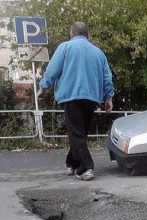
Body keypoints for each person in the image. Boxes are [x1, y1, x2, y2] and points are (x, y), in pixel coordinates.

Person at [38, 22, 114, 181]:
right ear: (88, 35)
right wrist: (109, 97)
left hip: (71, 96)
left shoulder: (65, 47)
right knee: (80, 133)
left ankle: (86, 168)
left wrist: (44, 87)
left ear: (71, 33)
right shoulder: (98, 52)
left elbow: (53, 69)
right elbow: (107, 77)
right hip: (92, 98)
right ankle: (71, 163)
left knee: (76, 134)